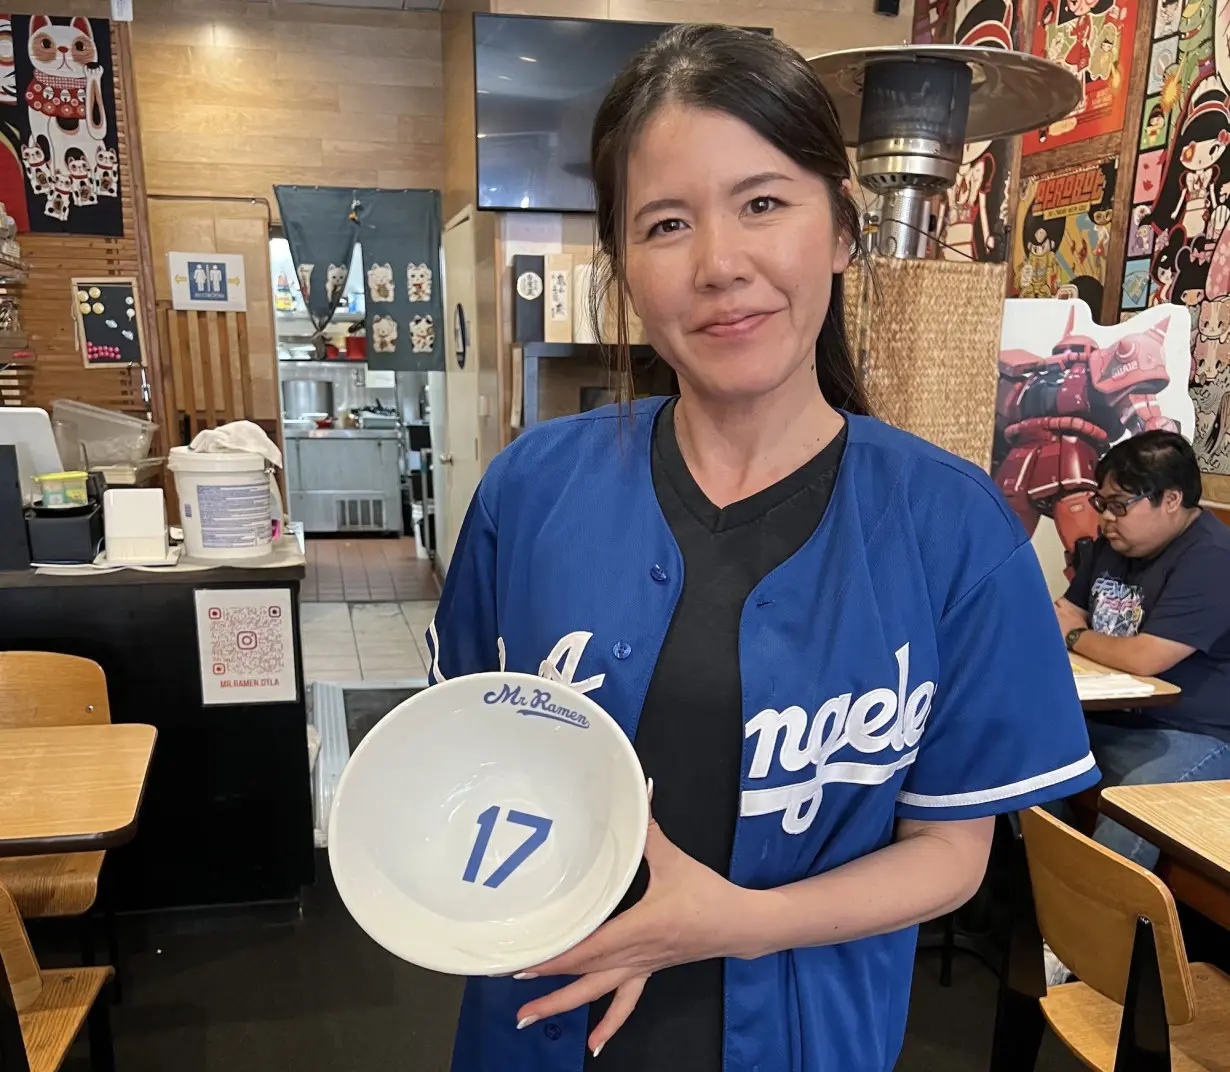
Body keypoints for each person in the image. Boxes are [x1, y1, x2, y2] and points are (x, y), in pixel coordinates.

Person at [427, 25, 1098, 1072]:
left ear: (839, 225)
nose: (720, 264)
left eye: (763, 203)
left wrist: (729, 921)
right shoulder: (531, 489)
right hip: (538, 1024)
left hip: (802, 1036)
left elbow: (951, 855)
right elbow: (464, 752)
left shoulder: (954, 529)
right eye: (664, 223)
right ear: (622, 263)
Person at [1055, 430, 1230, 868]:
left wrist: (1078, 637)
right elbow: (1062, 611)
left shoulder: (1212, 558)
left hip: (1194, 735)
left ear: (1171, 500)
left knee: (1133, 799)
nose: (1107, 519)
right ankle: (1035, 888)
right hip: (1110, 720)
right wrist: (1071, 628)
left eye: (1119, 506)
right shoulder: (1111, 547)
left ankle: (1090, 933)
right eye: (1102, 504)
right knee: (1013, 742)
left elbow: (1146, 658)